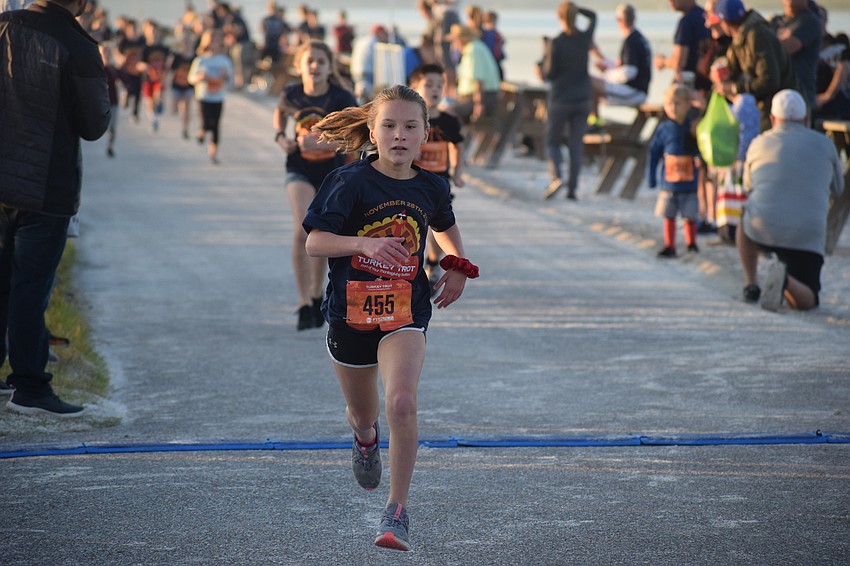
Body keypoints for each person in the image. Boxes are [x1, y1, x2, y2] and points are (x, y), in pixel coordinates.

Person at [305, 84, 476, 552]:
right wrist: (363, 243)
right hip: (350, 314)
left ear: (425, 134)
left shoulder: (432, 186)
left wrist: (458, 266)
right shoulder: (349, 183)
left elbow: (446, 234)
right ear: (372, 132)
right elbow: (315, 243)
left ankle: (396, 512)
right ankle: (364, 437)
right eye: (389, 126)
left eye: (410, 126)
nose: (399, 135)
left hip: (406, 310)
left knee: (401, 402)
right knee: (365, 413)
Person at [0, 0, 111, 415]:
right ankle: (29, 386)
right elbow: (94, 124)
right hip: (46, 187)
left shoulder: (4, 24)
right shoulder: (77, 44)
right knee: (29, 289)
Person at [273, 40, 357, 331]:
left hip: (331, 172)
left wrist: (325, 140)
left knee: (321, 232)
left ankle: (316, 292)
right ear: (300, 65)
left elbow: (356, 135)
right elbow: (280, 113)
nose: (315, 66)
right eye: (310, 61)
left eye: (321, 61)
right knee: (302, 229)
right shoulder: (292, 93)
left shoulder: (341, 97)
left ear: (329, 66)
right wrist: (280, 138)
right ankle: (302, 303)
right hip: (299, 168)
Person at [737, 89, 843, 311]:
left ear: (774, 119)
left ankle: (751, 283)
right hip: (807, 234)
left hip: (763, 229)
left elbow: (748, 186)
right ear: (806, 119)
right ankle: (787, 280)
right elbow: (838, 189)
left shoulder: (758, 143)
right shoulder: (826, 144)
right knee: (807, 301)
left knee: (746, 215)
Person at [409, 63, 465, 291]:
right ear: (414, 87)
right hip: (412, 181)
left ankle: (432, 262)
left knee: (438, 226)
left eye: (439, 85)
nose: (435, 89)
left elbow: (458, 144)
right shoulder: (410, 120)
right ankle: (413, 267)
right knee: (415, 226)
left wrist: (458, 171)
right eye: (428, 84)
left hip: (440, 183)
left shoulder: (448, 121)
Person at [713, 0, 797, 132]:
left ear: (725, 22)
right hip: (767, 108)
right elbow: (734, 71)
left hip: (783, 110)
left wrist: (735, 88)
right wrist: (723, 78)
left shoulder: (756, 35)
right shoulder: (740, 36)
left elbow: (769, 81)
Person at [540, 1, 596, 200]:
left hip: (561, 98)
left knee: (552, 141)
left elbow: (550, 73)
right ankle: (572, 190)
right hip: (582, 98)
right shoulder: (584, 38)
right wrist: (576, 9)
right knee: (576, 144)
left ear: (560, 17)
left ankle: (557, 176)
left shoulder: (556, 42)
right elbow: (594, 16)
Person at [648, 83, 702, 258]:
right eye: (669, 103)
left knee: (690, 214)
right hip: (669, 184)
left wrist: (700, 158)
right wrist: (651, 176)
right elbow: (654, 152)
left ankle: (691, 243)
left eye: (678, 103)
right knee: (668, 214)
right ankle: (670, 245)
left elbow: (701, 149)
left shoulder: (693, 127)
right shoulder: (664, 128)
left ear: (687, 105)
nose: (673, 107)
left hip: (689, 183)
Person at [590, 3, 652, 123]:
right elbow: (622, 69)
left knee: (588, 82)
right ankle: (593, 121)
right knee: (591, 82)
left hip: (634, 92)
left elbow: (629, 72)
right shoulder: (638, 38)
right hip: (638, 89)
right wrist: (599, 56)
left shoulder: (632, 41)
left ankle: (593, 122)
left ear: (619, 20)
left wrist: (607, 73)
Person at [188, 28, 234, 164]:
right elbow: (191, 78)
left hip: (218, 96)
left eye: (216, 41)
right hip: (204, 96)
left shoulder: (224, 60)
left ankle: (213, 154)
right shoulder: (200, 60)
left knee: (216, 126)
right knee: (206, 122)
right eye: (211, 41)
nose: (214, 44)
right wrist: (200, 78)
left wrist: (226, 76)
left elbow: (231, 80)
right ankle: (201, 132)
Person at [446, 23, 501, 125]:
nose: (453, 44)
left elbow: (478, 80)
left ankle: (458, 138)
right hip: (472, 97)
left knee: (446, 112)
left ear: (460, 39)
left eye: (454, 40)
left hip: (482, 97)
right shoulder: (473, 48)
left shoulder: (473, 50)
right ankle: (461, 138)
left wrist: (478, 104)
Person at [776, 0, 821, 118]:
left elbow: (789, 47)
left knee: (800, 135)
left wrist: (769, 41)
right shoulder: (776, 22)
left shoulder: (810, 21)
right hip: (777, 96)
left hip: (801, 95)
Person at [654, 0, 711, 82]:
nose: (670, 1)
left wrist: (662, 61)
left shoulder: (686, 22)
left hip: (692, 84)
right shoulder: (705, 16)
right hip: (708, 82)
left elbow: (679, 63)